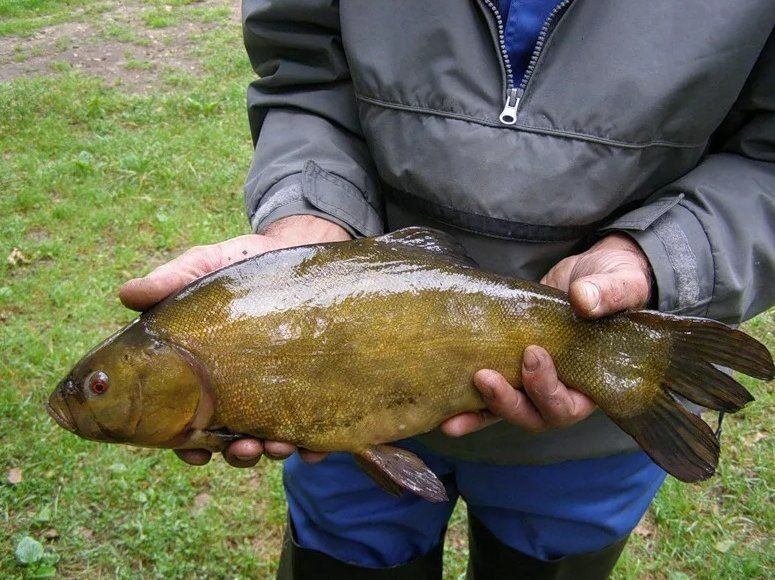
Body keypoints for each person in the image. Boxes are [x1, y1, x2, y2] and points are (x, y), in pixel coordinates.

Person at [120, 1, 775, 578]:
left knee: (550, 557)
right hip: (351, 430)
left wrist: (655, 256)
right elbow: (303, 73)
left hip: (585, 436)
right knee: (347, 552)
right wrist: (310, 218)